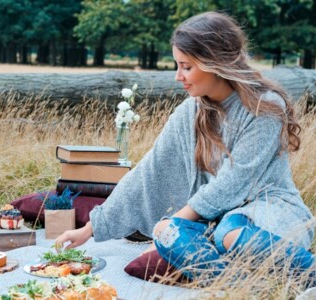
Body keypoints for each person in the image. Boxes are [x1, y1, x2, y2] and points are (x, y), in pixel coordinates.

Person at [55, 11, 315, 285]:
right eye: (177, 66)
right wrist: (90, 228)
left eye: (186, 66)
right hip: (213, 220)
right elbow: (149, 171)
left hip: (268, 211)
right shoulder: (190, 111)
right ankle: (238, 286)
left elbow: (233, 181)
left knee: (227, 231)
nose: (178, 76)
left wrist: (172, 226)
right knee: (168, 231)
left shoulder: (265, 107)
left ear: (215, 62)